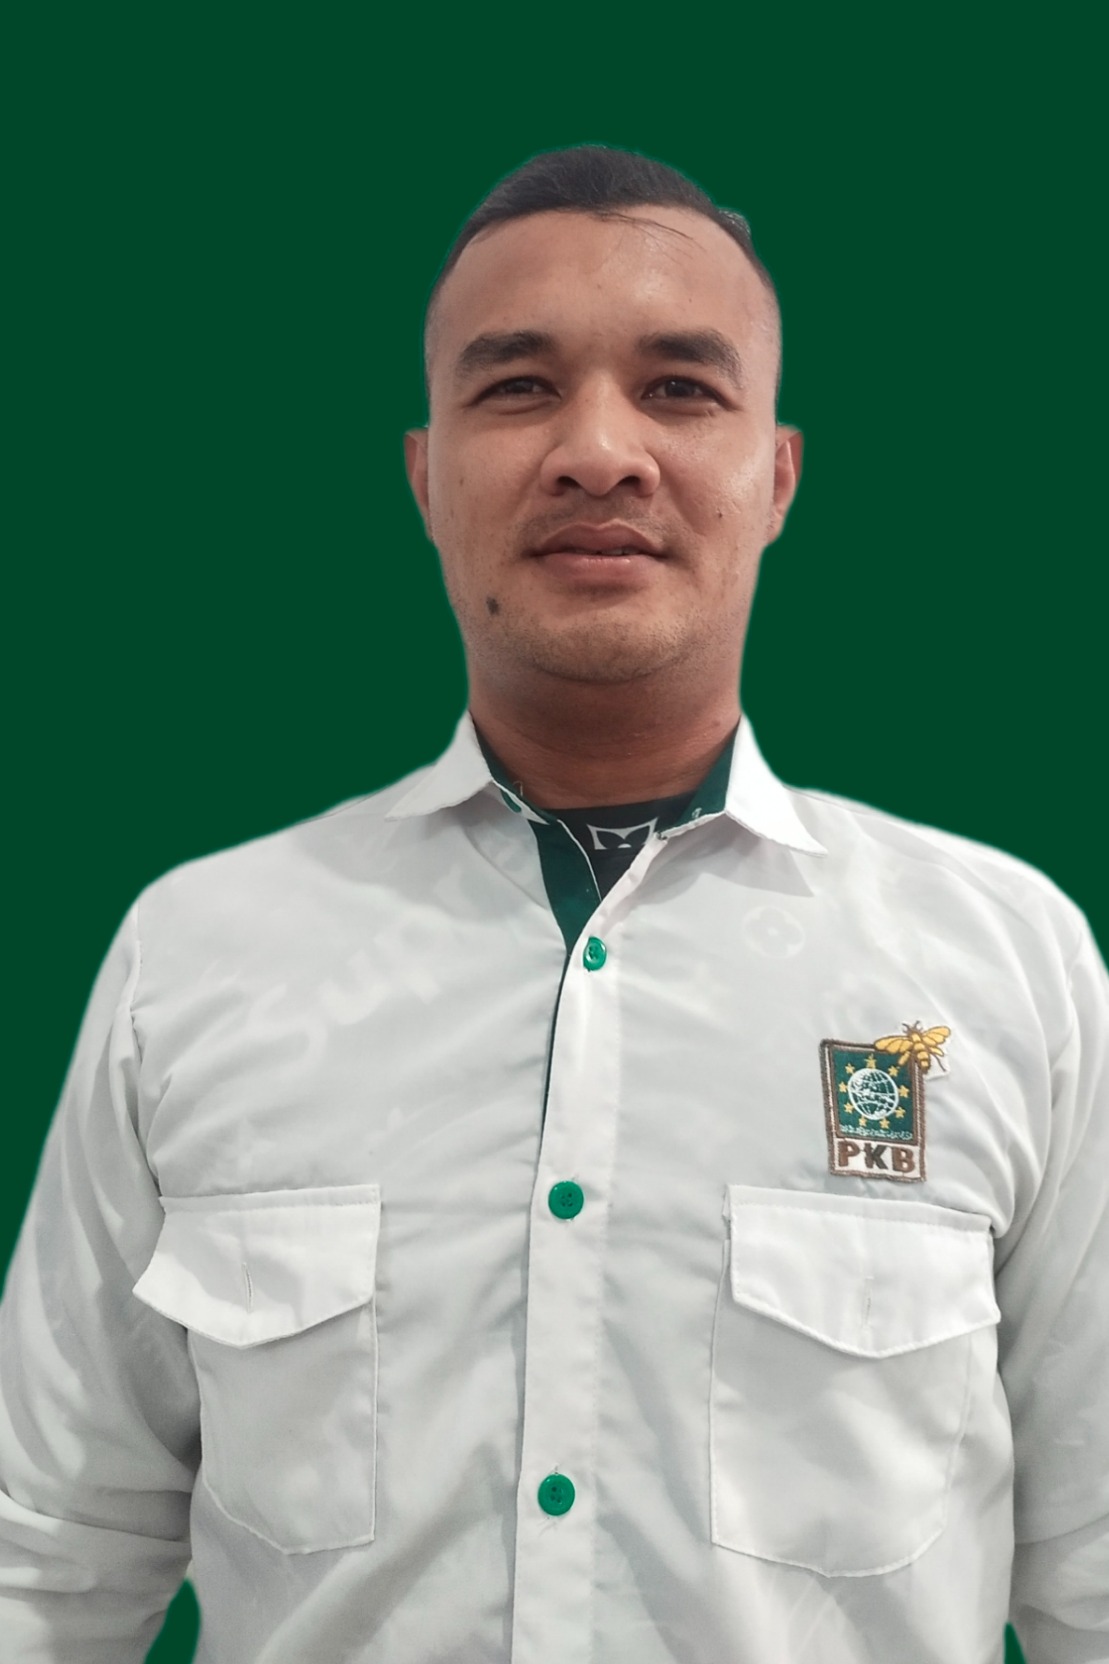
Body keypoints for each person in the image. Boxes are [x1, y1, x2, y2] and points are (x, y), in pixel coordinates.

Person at [0, 144, 1104, 1664]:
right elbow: (47, 1556)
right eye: (518, 387)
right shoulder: (198, 959)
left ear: (777, 476)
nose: (598, 451)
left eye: (679, 388)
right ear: (425, 475)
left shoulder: (1001, 964)